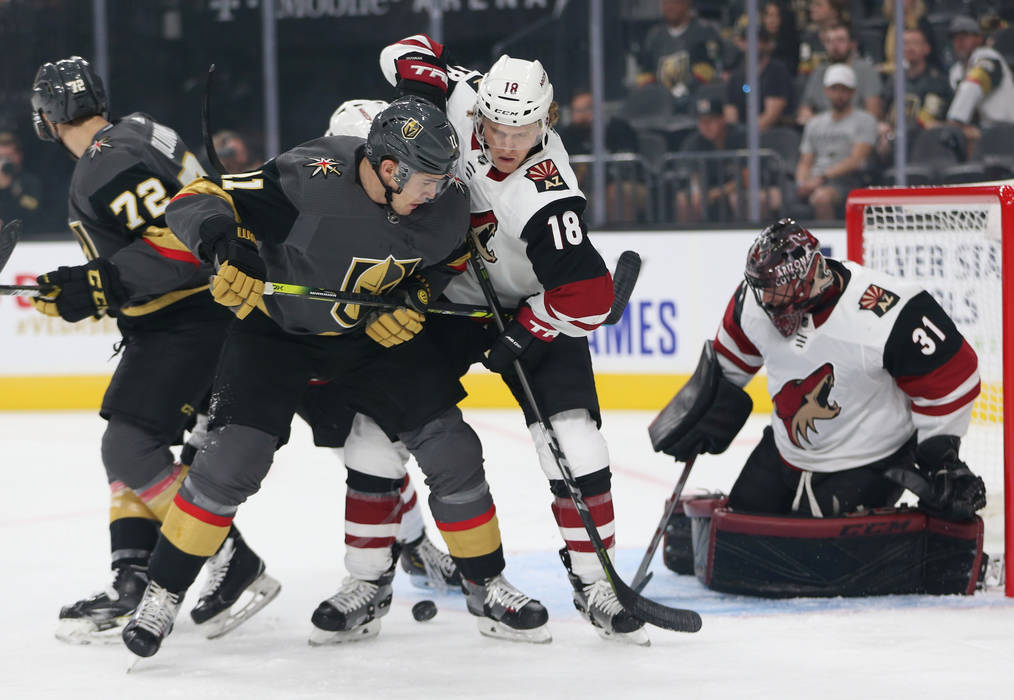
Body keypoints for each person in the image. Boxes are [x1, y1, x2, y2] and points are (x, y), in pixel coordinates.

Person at [121, 95, 551, 657]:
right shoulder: (311, 177)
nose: (440, 191)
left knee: (452, 448)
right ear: (390, 169)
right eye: (427, 180)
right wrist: (227, 244)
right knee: (230, 462)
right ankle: (162, 594)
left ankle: (486, 583)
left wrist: (416, 297)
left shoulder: (443, 204)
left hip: (366, 337)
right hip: (274, 335)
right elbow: (197, 198)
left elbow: (447, 259)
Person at [376, 35, 648, 645]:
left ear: (546, 121)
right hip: (448, 300)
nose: (503, 143)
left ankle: (594, 581)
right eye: (494, 127)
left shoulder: (547, 192)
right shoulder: (463, 95)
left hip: (527, 304)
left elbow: (588, 298)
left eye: (519, 132)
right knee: (378, 427)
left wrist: (528, 330)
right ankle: (369, 576)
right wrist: (423, 85)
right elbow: (404, 50)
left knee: (575, 445)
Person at [29, 56, 278, 644]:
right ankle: (132, 581)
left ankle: (229, 559)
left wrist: (98, 284)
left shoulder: (102, 161)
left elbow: (179, 243)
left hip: (186, 320)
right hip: (197, 317)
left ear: (50, 114)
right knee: (132, 447)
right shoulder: (138, 129)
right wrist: (85, 284)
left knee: (129, 445)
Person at [650, 218, 987, 594]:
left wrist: (940, 455)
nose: (770, 303)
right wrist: (702, 410)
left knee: (813, 560)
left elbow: (954, 374)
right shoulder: (754, 302)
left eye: (779, 292)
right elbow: (727, 366)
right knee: (740, 536)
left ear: (811, 274)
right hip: (784, 451)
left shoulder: (887, 311)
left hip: (867, 459)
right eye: (763, 292)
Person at [310, 97, 461, 593]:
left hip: (372, 354)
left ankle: (411, 547)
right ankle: (412, 546)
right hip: (317, 353)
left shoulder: (416, 203)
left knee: (376, 453)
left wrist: (415, 295)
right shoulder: (320, 191)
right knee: (352, 451)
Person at [795, 64, 877, 220]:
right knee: (767, 198)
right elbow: (805, 161)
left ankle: (827, 242)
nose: (839, 94)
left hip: (848, 182)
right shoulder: (815, 123)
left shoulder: (865, 120)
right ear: (826, 91)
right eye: (834, 89)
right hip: (814, 181)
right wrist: (801, 183)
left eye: (844, 89)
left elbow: (856, 160)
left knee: (821, 198)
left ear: (853, 92)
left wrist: (820, 178)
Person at [558, 90, 645, 224]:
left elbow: (627, 164)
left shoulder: (618, 128)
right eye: (576, 111)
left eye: (584, 110)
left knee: (614, 192)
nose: (580, 116)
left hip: (626, 183)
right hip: (586, 188)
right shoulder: (569, 134)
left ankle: (621, 234)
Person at [945, 15, 1014, 147]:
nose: (959, 42)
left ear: (979, 38)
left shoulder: (989, 56)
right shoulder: (955, 72)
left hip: (1012, 129)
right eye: (955, 38)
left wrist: (955, 121)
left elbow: (974, 84)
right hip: (984, 133)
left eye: (965, 36)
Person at [875, 28, 952, 163]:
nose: (909, 48)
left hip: (925, 144)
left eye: (915, 43)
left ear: (926, 48)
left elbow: (928, 120)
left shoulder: (937, 82)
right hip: (893, 144)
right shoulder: (894, 80)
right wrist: (882, 127)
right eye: (905, 43)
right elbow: (883, 113)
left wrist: (894, 135)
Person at [635, 0, 724, 110]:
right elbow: (645, 72)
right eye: (665, 3)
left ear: (687, 4)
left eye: (675, 3)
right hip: (660, 103)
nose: (669, 7)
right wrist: (652, 93)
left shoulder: (705, 31)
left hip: (695, 101)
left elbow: (707, 69)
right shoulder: (654, 35)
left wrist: (678, 93)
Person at [797, 23, 883, 126]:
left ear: (852, 44)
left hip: (856, 130)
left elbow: (873, 114)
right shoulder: (819, 71)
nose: (835, 46)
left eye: (840, 40)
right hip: (823, 132)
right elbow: (805, 109)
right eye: (829, 41)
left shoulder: (866, 70)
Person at [676, 96, 746, 222]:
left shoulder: (740, 137)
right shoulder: (694, 142)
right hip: (708, 191)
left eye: (711, 121)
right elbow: (694, 178)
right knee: (684, 200)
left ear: (723, 119)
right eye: (701, 121)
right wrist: (698, 193)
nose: (705, 126)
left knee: (737, 199)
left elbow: (746, 179)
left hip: (738, 190)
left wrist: (716, 193)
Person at [724, 27, 795, 131]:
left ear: (768, 44)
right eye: (747, 40)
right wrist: (736, 135)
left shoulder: (777, 71)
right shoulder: (736, 76)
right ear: (741, 43)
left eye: (759, 40)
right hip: (742, 134)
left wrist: (748, 135)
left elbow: (771, 116)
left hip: (773, 133)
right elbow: (731, 114)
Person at [0, 130, 46, 234]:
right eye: (1, 158)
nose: (5, 162)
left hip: (27, 240)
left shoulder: (30, 182)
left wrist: (7, 189)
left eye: (9, 157)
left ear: (19, 156)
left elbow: (31, 215)